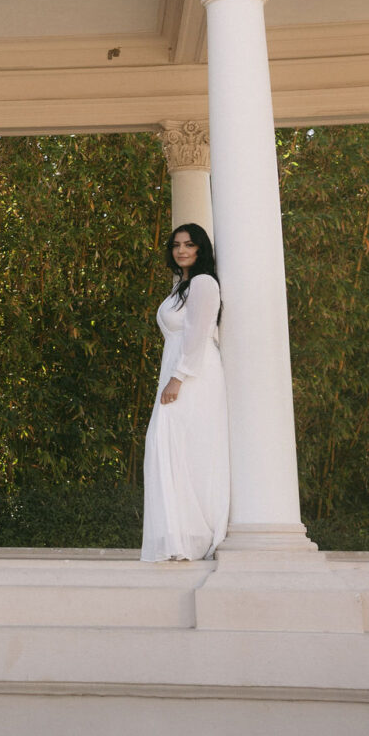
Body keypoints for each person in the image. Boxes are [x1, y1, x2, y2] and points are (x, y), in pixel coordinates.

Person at [140, 223, 231, 562]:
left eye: (189, 245)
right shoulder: (181, 286)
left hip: (195, 374)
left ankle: (196, 535)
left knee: (186, 448)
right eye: (176, 244)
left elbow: (196, 335)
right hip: (177, 369)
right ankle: (179, 536)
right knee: (167, 446)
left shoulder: (205, 284)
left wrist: (178, 378)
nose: (181, 250)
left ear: (200, 249)